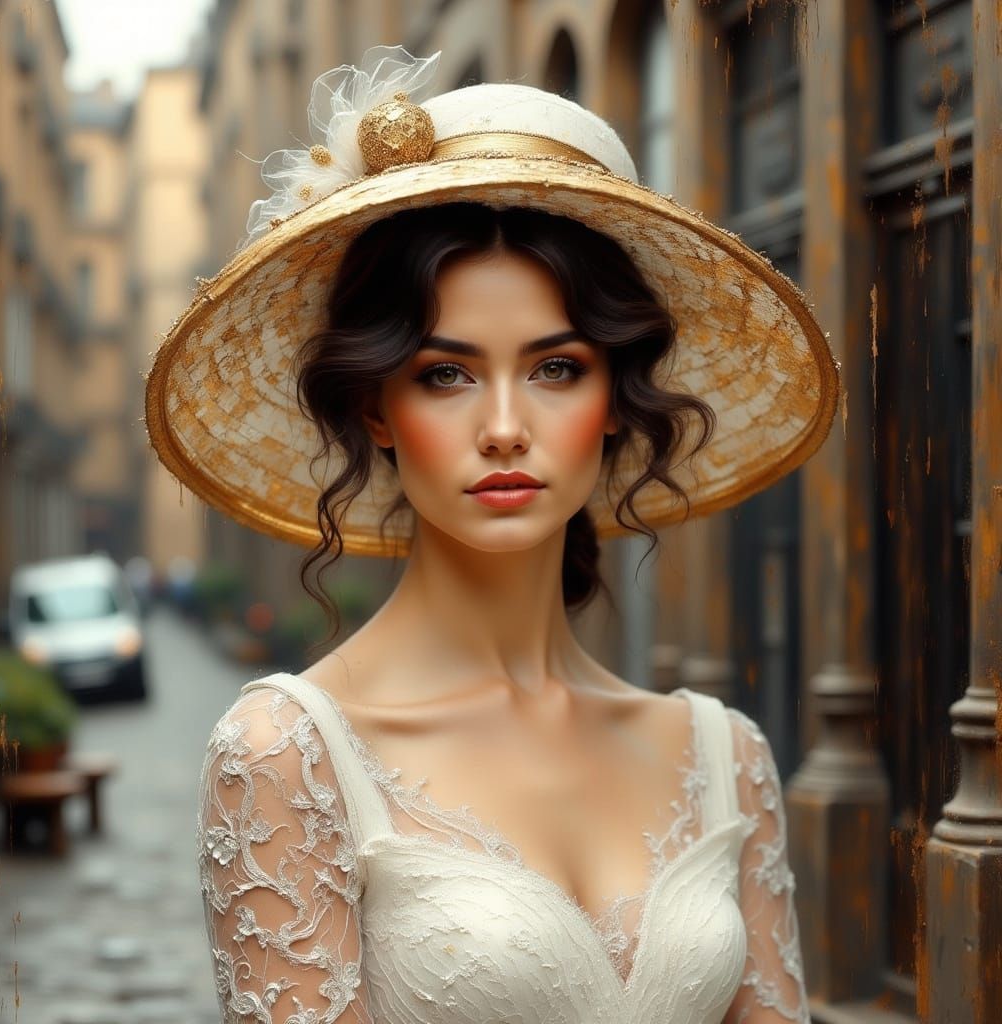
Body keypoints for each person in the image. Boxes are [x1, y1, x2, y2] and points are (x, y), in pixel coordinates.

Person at [146, 46, 838, 1024]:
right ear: (377, 408)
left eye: (556, 368)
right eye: (446, 374)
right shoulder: (287, 755)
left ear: (614, 397)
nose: (505, 425)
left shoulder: (726, 756)